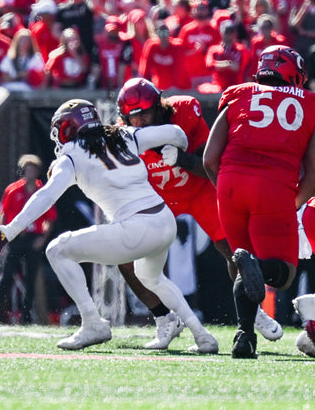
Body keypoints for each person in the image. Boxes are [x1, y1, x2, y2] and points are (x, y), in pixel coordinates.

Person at [0, 99, 218, 353]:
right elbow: (176, 133)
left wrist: (10, 229)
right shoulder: (123, 134)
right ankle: (203, 336)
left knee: (57, 250)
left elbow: (45, 196)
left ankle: (93, 322)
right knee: (151, 276)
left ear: (69, 128)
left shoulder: (72, 155)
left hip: (136, 227)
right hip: (163, 219)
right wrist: (178, 152)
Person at [117, 78, 283, 349]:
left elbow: (208, 165)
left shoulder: (184, 110)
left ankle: (254, 313)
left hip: (199, 191)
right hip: (161, 199)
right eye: (132, 117)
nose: (139, 123)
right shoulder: (124, 135)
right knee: (125, 259)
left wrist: (181, 158)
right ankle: (164, 319)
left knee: (234, 251)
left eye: (144, 114)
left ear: (159, 107)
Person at [204, 45, 315, 358]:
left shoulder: (238, 93)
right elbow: (314, 171)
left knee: (243, 262)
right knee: (283, 273)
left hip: (229, 183)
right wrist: (291, 203)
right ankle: (256, 271)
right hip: (275, 187)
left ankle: (245, 336)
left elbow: (210, 159)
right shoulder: (309, 102)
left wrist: (226, 189)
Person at [0, 154, 56, 325]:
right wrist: (4, 235)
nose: (29, 172)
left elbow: (51, 218)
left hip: (33, 239)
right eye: (27, 168)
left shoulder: (43, 192)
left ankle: (26, 317)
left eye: (33, 169)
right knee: (7, 276)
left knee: (31, 279)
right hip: (16, 237)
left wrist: (42, 239)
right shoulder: (13, 189)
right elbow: (2, 214)